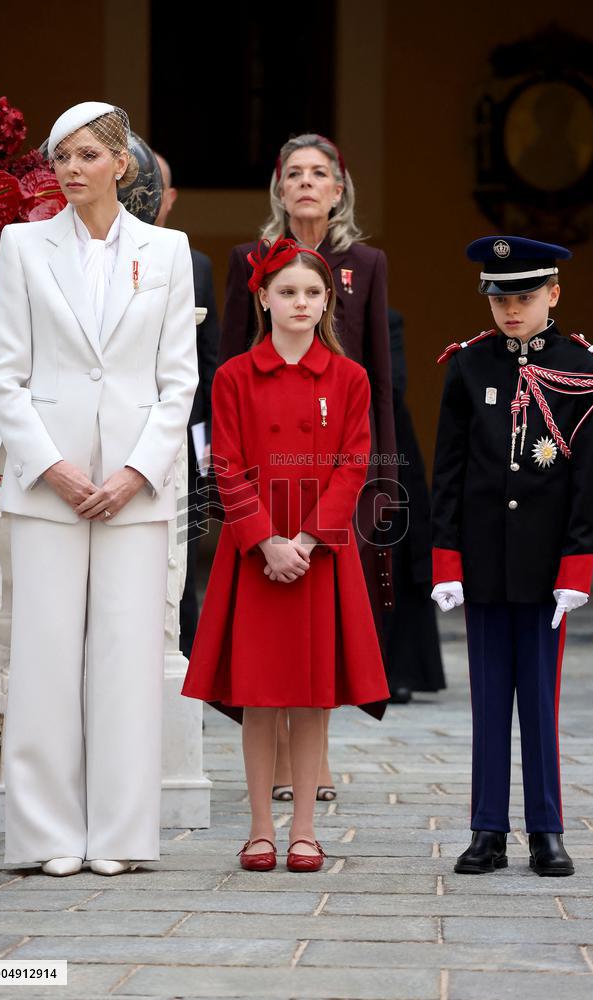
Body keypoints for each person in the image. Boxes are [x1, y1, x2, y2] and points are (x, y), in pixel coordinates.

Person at [0, 102, 198, 876]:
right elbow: (7, 374)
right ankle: (44, 838)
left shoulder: (168, 251)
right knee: (43, 656)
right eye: (58, 158)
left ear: (122, 164)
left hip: (133, 490)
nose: (69, 170)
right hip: (48, 484)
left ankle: (119, 838)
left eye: (84, 155)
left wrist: (138, 470)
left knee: (126, 659)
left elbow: (178, 382)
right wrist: (54, 466)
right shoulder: (22, 245)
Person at [182, 238, 390, 871]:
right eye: (287, 292)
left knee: (311, 696)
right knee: (260, 695)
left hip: (320, 554)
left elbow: (354, 465)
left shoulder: (349, 377)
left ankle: (304, 830)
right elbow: (225, 464)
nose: (300, 302)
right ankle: (259, 829)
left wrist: (304, 540)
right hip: (255, 554)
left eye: (312, 292)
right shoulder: (234, 376)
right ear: (263, 299)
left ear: (328, 300)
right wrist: (266, 540)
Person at [431, 236, 593, 877]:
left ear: (554, 295)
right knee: (488, 702)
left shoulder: (584, 369)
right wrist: (447, 561)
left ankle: (546, 830)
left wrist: (576, 569)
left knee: (539, 700)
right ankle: (487, 829)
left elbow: (587, 481)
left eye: (525, 296)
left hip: (544, 572)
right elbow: (449, 474)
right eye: (500, 297)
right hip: (483, 564)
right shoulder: (469, 366)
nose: (511, 309)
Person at [220, 133, 397, 801]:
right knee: (269, 619)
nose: (306, 183)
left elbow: (377, 375)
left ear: (338, 186)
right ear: (279, 187)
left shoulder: (367, 262)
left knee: (326, 616)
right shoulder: (247, 259)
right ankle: (286, 764)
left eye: (319, 173)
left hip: (338, 463)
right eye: (293, 173)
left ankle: (314, 759)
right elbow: (233, 356)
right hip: (263, 462)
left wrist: (381, 474)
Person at [153, 151, 219, 656]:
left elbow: (209, 359)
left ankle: (187, 682)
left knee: (183, 560)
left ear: (169, 198)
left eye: (154, 182)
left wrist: (205, 446)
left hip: (184, 439)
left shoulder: (196, 265)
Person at [384, 308, 445, 702]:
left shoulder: (385, 319)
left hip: (382, 435)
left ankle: (397, 667)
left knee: (394, 546)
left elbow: (394, 383)